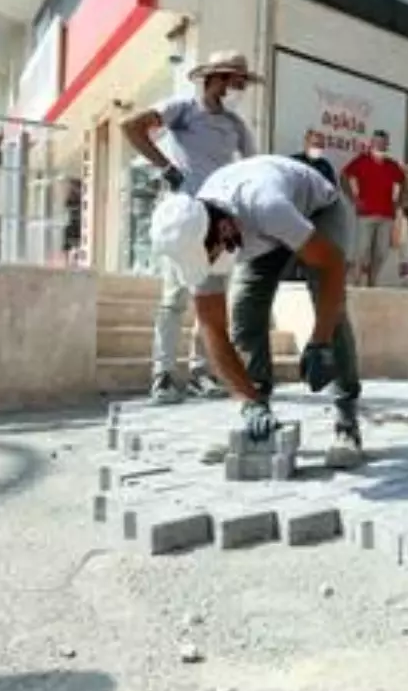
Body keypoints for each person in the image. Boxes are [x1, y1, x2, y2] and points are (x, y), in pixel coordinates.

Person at [149, 154, 364, 466]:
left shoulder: (266, 206)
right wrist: (246, 399)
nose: (210, 265)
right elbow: (212, 326)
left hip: (317, 210)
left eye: (211, 256)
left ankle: (347, 424)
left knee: (329, 308)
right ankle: (257, 417)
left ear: (222, 229)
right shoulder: (194, 234)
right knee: (246, 310)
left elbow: (331, 265)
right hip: (259, 234)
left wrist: (320, 341)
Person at [122, 50, 258, 405]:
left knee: (212, 300)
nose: (240, 88)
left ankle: (202, 372)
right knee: (174, 298)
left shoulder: (236, 126)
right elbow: (132, 127)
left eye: (243, 82)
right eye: (236, 81)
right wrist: (165, 167)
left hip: (220, 219)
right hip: (183, 215)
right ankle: (163, 375)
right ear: (214, 79)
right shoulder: (182, 109)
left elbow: (252, 168)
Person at [343, 130, 406, 286]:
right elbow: (344, 175)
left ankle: (372, 281)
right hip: (366, 214)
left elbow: (403, 182)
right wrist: (353, 198)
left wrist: (399, 202)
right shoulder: (362, 160)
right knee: (363, 249)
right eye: (376, 142)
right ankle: (356, 281)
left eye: (383, 143)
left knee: (381, 252)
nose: (379, 145)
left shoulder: (392, 165)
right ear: (371, 143)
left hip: (386, 215)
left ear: (387, 145)